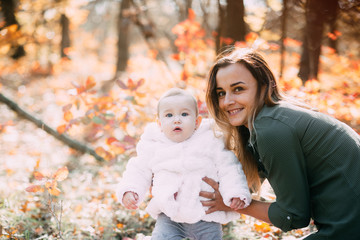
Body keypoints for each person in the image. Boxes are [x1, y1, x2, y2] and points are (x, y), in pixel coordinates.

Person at [200, 47, 360, 240]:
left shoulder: (271, 130)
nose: (227, 101)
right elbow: (245, 183)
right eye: (220, 93)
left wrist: (230, 204)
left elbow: (292, 216)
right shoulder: (269, 120)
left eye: (238, 89)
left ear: (263, 86)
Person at [117, 88, 251, 240]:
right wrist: (131, 190)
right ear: (159, 123)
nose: (177, 119)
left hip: (206, 213)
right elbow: (139, 169)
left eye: (184, 114)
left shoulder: (210, 140)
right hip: (169, 213)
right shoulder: (154, 144)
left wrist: (235, 192)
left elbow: (229, 168)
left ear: (197, 122)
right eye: (169, 115)